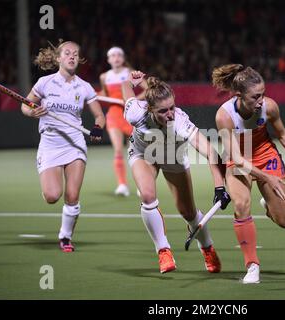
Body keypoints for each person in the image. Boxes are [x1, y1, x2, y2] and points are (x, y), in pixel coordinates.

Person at [122, 70, 231, 274]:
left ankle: (207, 247)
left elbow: (211, 153)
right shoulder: (136, 112)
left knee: (188, 212)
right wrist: (129, 81)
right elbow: (126, 91)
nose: (170, 114)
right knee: (147, 195)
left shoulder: (180, 122)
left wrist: (219, 187)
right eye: (163, 111)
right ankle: (163, 250)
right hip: (143, 154)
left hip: (173, 156)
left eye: (172, 107)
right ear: (150, 109)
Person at [213, 64, 285, 284]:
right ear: (239, 95)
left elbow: (283, 134)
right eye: (255, 96)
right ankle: (252, 266)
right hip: (239, 156)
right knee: (241, 206)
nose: (261, 100)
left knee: (284, 221)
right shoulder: (224, 116)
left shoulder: (270, 107)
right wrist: (267, 178)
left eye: (263, 94)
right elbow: (237, 160)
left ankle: (268, 205)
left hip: (264, 153)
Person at [21, 40, 105, 252]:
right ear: (58, 58)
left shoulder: (84, 87)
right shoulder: (44, 82)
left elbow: (99, 115)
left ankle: (65, 237)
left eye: (75, 54)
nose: (72, 56)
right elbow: (25, 104)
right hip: (50, 144)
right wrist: (32, 112)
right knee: (51, 196)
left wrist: (97, 127)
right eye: (67, 53)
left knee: (72, 195)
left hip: (75, 144)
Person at [99, 47, 148, 196]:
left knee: (137, 151)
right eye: (113, 55)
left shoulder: (130, 73)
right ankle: (122, 185)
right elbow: (105, 94)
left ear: (123, 57)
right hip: (114, 116)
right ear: (108, 59)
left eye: (119, 54)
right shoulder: (104, 77)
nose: (116, 57)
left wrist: (131, 100)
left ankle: (142, 185)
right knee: (118, 150)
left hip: (131, 115)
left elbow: (147, 90)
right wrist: (93, 95)